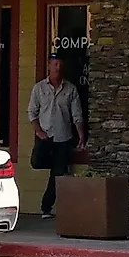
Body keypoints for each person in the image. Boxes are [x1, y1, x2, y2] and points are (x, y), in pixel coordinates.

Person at [28, 51, 86, 215]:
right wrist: (39, 131)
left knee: (57, 173)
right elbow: (32, 113)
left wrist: (81, 135)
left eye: (60, 64)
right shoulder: (39, 88)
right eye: (55, 64)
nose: (58, 67)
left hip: (63, 136)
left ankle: (46, 208)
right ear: (49, 66)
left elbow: (77, 115)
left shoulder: (70, 89)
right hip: (45, 136)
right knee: (36, 162)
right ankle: (59, 165)